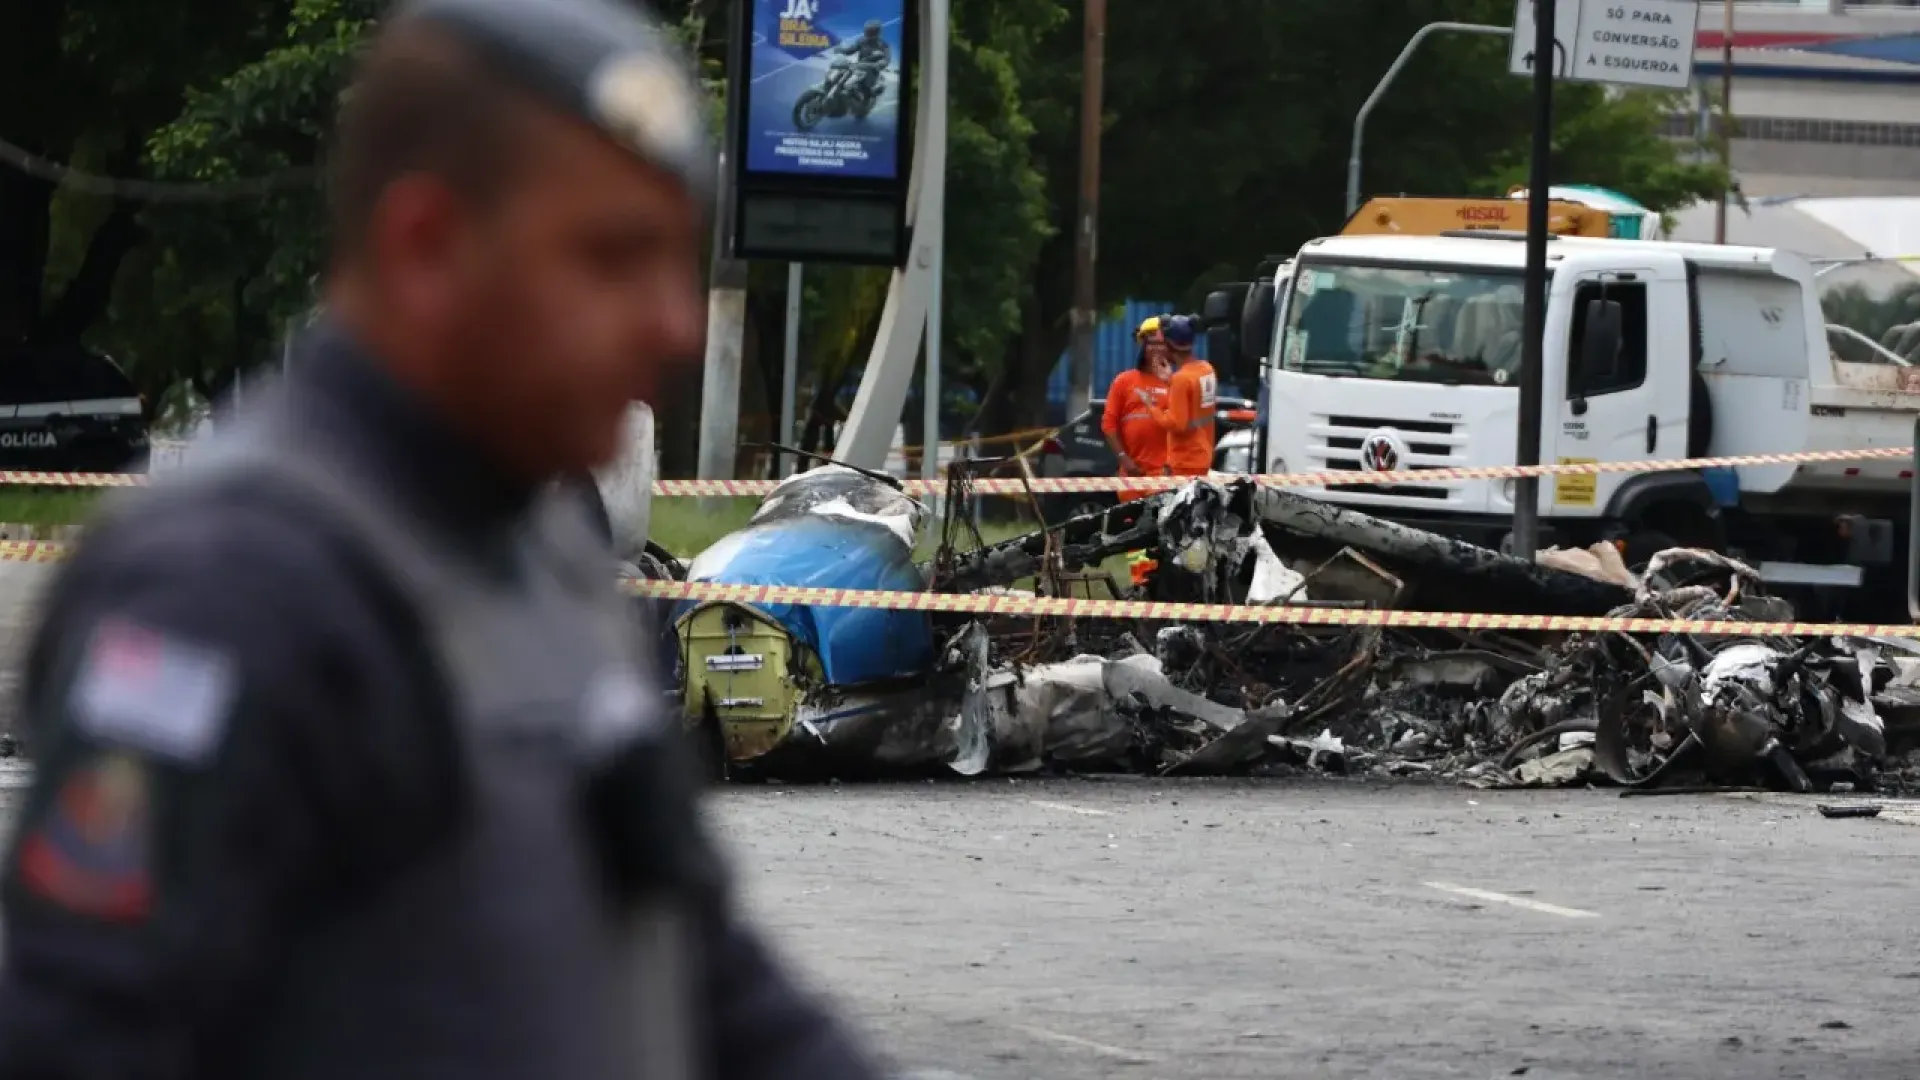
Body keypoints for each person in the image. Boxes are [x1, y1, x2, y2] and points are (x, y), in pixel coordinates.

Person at [0, 1, 883, 1078]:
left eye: (675, 263)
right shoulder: (219, 593)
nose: (673, 323)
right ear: (427, 248)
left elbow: (703, 971)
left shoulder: (543, 544)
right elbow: (81, 1037)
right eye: (612, 258)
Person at [1101, 314, 1172, 502]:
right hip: (1131, 476)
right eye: (1151, 344)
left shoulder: (1175, 383)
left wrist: (1170, 382)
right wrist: (1124, 459)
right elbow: (1108, 425)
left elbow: (1183, 424)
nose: (1155, 349)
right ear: (1143, 347)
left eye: (1161, 343)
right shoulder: (1124, 381)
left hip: (1163, 477)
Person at [1142, 314, 1218, 477]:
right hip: (1203, 456)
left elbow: (1177, 424)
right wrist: (1170, 381)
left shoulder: (1181, 379)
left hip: (1184, 462)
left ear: (1169, 345)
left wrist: (1151, 407)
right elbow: (1195, 403)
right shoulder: (1206, 369)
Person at [834, 19, 891, 103]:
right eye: (867, 31)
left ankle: (865, 98)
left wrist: (880, 64)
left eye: (871, 32)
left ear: (877, 33)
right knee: (842, 73)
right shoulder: (861, 41)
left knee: (866, 87)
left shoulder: (884, 46)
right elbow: (851, 50)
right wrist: (840, 49)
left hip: (872, 70)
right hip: (858, 67)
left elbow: (887, 59)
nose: (868, 34)